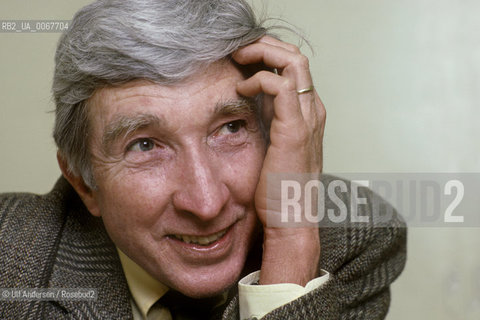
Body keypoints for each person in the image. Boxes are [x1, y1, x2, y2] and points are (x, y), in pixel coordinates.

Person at [0, 0, 406, 319]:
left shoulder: (355, 238)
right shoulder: (11, 260)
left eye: (230, 129)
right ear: (83, 181)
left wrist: (291, 241)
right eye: (145, 146)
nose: (206, 202)